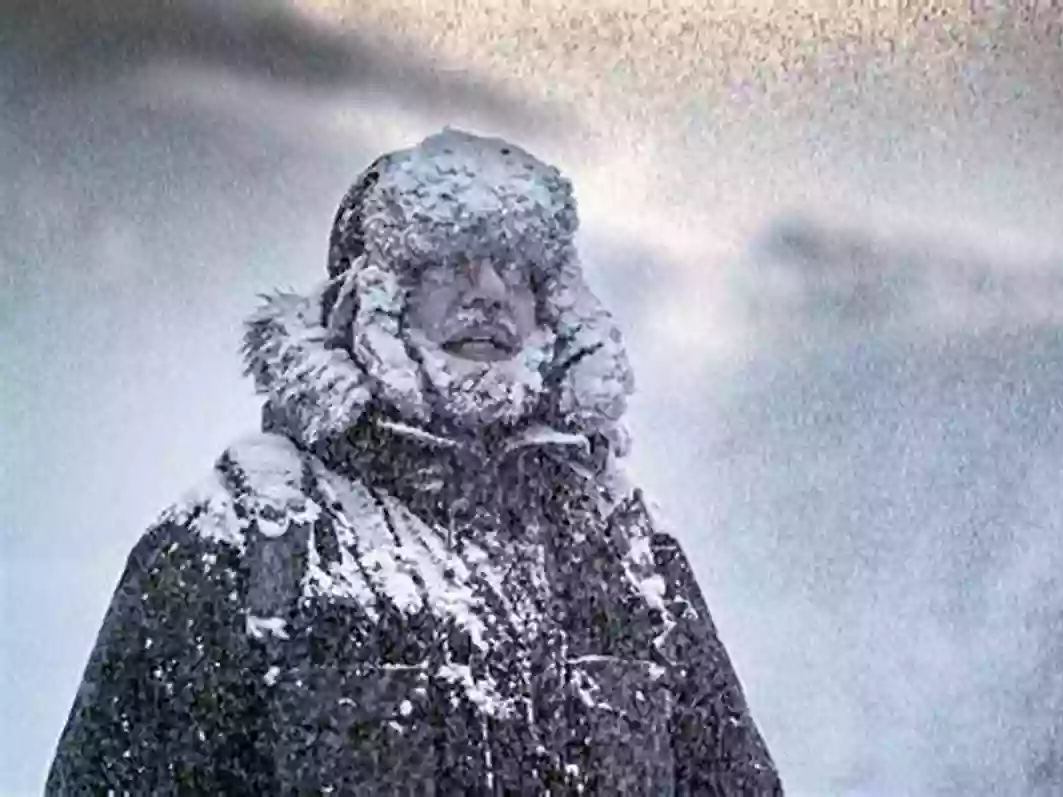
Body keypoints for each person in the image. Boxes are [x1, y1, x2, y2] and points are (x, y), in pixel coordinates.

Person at [47, 128, 782, 795]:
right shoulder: (238, 543)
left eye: (517, 270)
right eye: (448, 264)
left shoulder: (625, 550)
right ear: (370, 299)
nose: (490, 292)